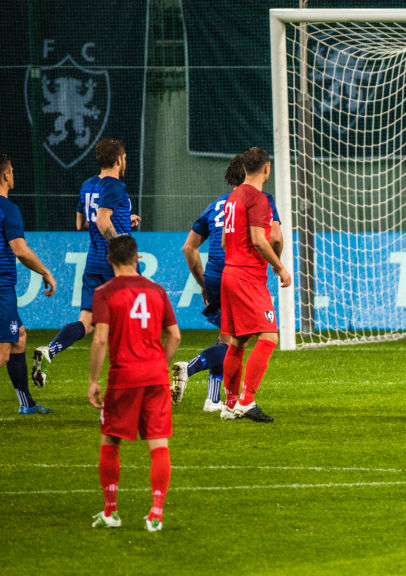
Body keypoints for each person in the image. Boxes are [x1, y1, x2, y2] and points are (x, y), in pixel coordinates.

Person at [171, 155, 282, 413]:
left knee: (228, 336)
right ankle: (192, 367)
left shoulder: (217, 205)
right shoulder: (259, 200)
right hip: (243, 272)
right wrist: (277, 263)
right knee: (239, 340)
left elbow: (189, 248)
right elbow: (274, 236)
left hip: (216, 275)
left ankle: (215, 399)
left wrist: (202, 282)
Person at [88, 234, 181, 532]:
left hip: (123, 378)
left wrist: (93, 380)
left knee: (110, 439)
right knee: (158, 443)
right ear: (137, 258)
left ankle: (111, 512)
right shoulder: (157, 291)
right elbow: (175, 335)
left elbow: (100, 338)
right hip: (155, 377)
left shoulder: (104, 292)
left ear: (109, 259)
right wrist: (159, 366)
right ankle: (156, 514)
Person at [33, 139, 140, 386]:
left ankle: (50, 350)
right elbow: (103, 220)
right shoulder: (116, 185)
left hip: (93, 264)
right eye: (124, 156)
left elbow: (82, 224)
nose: (125, 161)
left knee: (87, 322)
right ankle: (134, 380)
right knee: (133, 323)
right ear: (117, 160)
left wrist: (125, 219)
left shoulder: (87, 186)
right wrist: (119, 247)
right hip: (117, 266)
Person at [218, 147, 291, 423]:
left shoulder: (233, 197)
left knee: (237, 342)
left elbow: (225, 241)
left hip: (229, 273)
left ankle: (229, 404)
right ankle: (247, 401)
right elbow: (262, 239)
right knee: (269, 336)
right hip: (248, 276)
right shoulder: (259, 199)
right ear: (266, 169)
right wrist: (279, 266)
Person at [0, 154, 57, 414]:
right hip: (1, 289)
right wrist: (46, 272)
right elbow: (20, 250)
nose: (13, 174)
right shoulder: (8, 209)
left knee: (19, 337)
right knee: (2, 352)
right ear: (5, 175)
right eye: (11, 170)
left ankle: (26, 404)